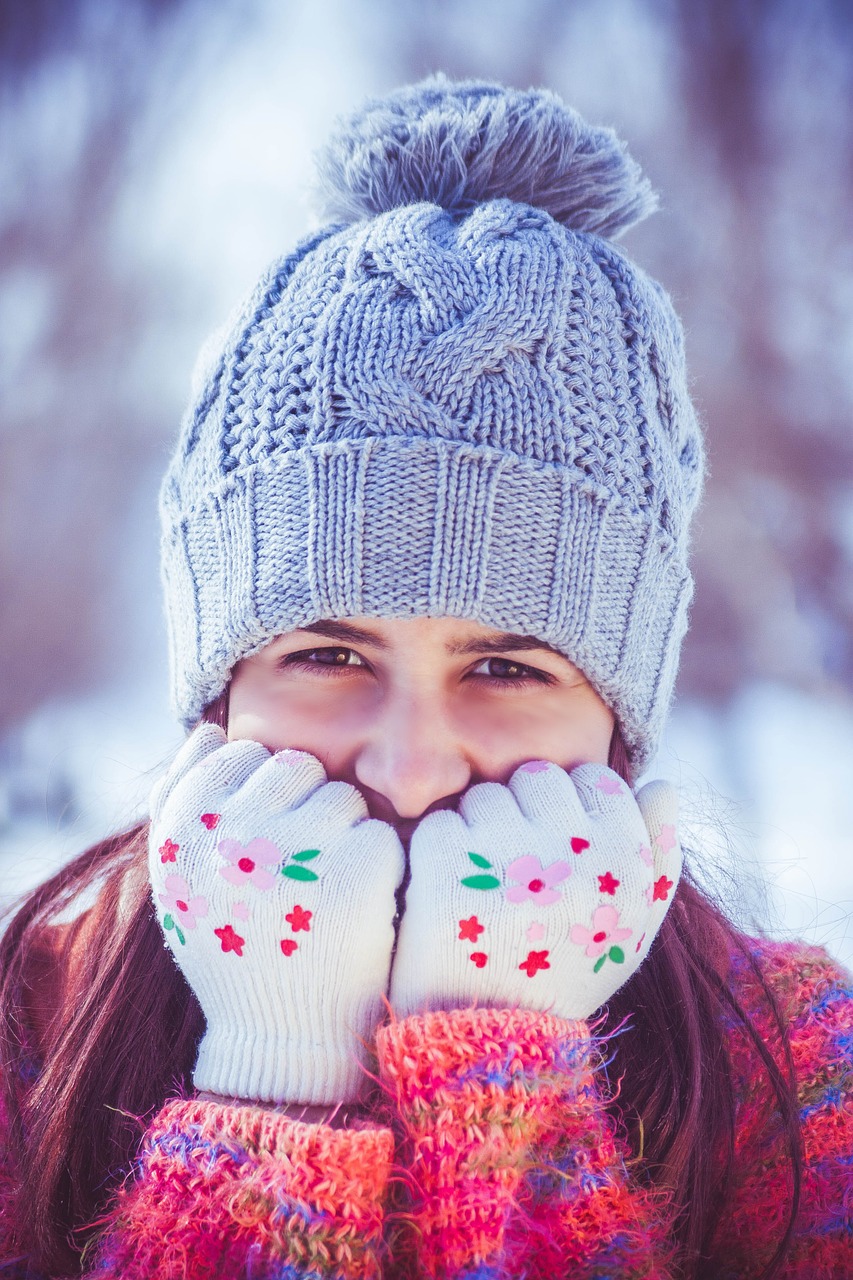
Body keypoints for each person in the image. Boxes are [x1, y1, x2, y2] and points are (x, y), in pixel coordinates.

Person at [0, 76, 850, 1280]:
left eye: (506, 665)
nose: (408, 762)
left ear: (620, 721)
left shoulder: (798, 1079)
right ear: (217, 694)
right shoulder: (24, 1044)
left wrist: (497, 1073)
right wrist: (276, 1072)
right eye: (329, 653)